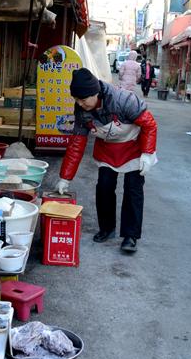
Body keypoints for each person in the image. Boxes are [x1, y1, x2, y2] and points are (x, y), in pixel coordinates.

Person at [56, 68, 157, 253]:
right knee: (104, 186)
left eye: (83, 99)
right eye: (76, 100)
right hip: (107, 148)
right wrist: (65, 178)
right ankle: (106, 228)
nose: (80, 103)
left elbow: (149, 125)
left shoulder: (124, 100)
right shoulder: (82, 110)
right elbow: (77, 144)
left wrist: (148, 153)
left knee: (133, 189)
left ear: (95, 93)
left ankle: (130, 235)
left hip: (134, 145)